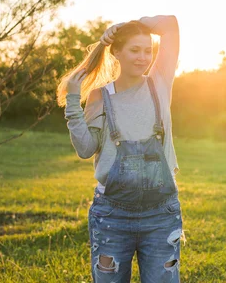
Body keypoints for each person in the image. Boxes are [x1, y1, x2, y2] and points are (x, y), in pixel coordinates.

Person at [56, 15, 185, 283]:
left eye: (148, 50)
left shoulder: (159, 82)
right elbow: (85, 148)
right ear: (117, 52)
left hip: (161, 214)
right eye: (134, 50)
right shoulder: (99, 96)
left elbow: (170, 25)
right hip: (113, 215)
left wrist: (129, 24)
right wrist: (71, 100)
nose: (143, 57)